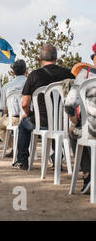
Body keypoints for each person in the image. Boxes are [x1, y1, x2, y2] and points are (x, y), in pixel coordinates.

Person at [13, 45, 75, 170]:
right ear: (56, 58)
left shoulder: (34, 75)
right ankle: (56, 158)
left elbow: (24, 103)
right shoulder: (69, 74)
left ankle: (23, 161)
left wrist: (29, 113)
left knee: (23, 125)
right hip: (65, 122)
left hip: (40, 122)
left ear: (40, 58)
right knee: (55, 124)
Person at [64, 43, 96, 193]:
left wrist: (74, 120)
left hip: (91, 130)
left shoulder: (85, 75)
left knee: (73, 132)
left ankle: (88, 175)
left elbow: (70, 103)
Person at [0, 60, 27, 158]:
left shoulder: (6, 86)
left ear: (13, 72)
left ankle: (15, 146)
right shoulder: (31, 83)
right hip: (31, 119)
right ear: (26, 71)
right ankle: (19, 146)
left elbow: (4, 109)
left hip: (14, 119)